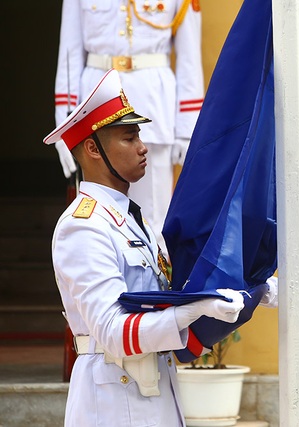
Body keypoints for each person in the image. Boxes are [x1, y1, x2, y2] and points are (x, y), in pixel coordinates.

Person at [43, 69, 244, 427]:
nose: (143, 146)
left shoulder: (136, 220)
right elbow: (112, 330)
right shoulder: (83, 226)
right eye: (128, 137)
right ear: (92, 148)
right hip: (113, 399)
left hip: (153, 389)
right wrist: (191, 311)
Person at [52, 0, 204, 253]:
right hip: (96, 103)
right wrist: (66, 122)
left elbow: (190, 57)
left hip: (153, 105)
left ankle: (155, 286)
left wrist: (188, 128)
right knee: (98, 214)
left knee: (155, 217)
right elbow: (69, 51)